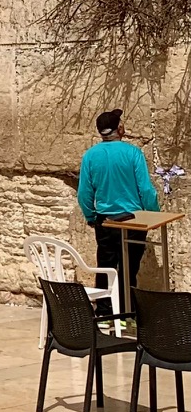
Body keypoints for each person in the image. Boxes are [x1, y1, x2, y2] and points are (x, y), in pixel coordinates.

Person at [77, 108, 161, 315]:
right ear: (120, 129)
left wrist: (91, 216)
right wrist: (154, 214)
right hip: (133, 220)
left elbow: (84, 193)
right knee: (129, 268)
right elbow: (146, 190)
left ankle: (104, 312)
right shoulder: (133, 153)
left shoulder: (90, 156)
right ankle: (126, 312)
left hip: (105, 221)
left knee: (105, 266)